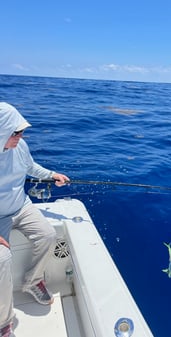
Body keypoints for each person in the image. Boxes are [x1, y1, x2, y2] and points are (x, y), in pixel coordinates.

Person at [0, 102, 69, 337]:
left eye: (21, 131)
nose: (21, 135)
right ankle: (3, 323)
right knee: (2, 259)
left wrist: (52, 175)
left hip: (21, 206)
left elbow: (30, 167)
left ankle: (32, 281)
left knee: (49, 235)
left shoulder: (20, 147)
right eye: (16, 132)